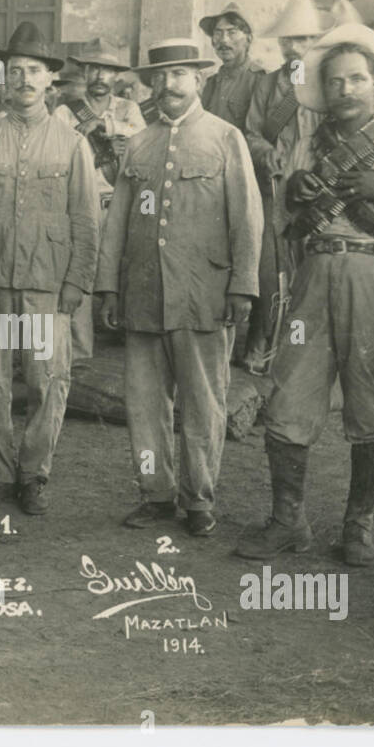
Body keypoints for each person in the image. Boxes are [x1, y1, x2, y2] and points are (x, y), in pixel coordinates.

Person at [234, 21, 374, 567]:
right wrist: (296, 193)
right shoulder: (307, 140)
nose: (345, 90)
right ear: (323, 90)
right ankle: (288, 520)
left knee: (372, 403)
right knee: (288, 396)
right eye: (335, 82)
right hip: (314, 276)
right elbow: (284, 221)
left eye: (357, 79)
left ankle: (359, 526)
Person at [97, 38, 262, 536]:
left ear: (199, 80)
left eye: (179, 75)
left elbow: (247, 219)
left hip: (203, 292)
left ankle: (199, 499)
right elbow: (119, 221)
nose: (168, 85)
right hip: (144, 291)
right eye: (160, 77)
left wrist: (243, 285)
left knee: (204, 402)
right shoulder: (140, 144)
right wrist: (108, 286)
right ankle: (155, 494)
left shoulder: (226, 138)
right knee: (144, 406)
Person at [0, 22, 98, 515]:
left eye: (34, 71)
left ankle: (33, 474)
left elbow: (85, 219)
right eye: (15, 71)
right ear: (4, 78)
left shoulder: (72, 143)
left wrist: (78, 279)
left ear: (49, 79)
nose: (24, 80)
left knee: (47, 382)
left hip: (47, 281)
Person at [241, 0, 331, 372]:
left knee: (311, 270)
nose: (294, 47)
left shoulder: (327, 83)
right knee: (270, 268)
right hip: (275, 188)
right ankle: (263, 344)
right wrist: (267, 154)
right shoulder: (267, 86)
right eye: (287, 40)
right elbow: (250, 133)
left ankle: (300, 350)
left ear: (315, 43)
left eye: (302, 40)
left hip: (316, 189)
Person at [52, 39, 146, 364]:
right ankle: (78, 354)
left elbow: (143, 137)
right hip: (82, 201)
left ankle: (129, 349)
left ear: (116, 76)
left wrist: (105, 126)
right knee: (79, 272)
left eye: (106, 70)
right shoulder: (66, 110)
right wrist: (89, 135)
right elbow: (60, 152)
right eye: (93, 69)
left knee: (123, 271)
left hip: (120, 202)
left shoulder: (127, 109)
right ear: (84, 72)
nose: (100, 76)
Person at [199, 3, 264, 128]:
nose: (224, 40)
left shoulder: (262, 81)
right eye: (218, 33)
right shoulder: (210, 84)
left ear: (248, 39)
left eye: (232, 32)